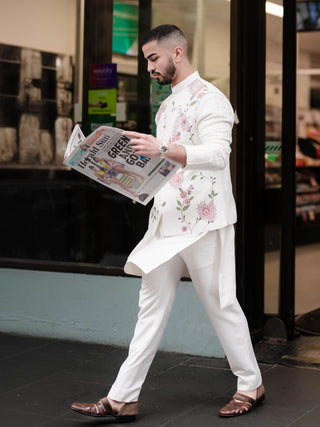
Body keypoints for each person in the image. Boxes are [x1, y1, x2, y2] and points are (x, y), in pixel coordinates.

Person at [71, 24, 265, 422]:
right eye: (147, 61)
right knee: (151, 307)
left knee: (221, 302)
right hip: (167, 218)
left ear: (177, 53)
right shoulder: (166, 106)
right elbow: (166, 166)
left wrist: (161, 147)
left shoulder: (212, 99)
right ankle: (123, 397)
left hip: (205, 219)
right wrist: (124, 173)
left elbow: (216, 154)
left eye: (153, 58)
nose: (149, 68)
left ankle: (251, 384)